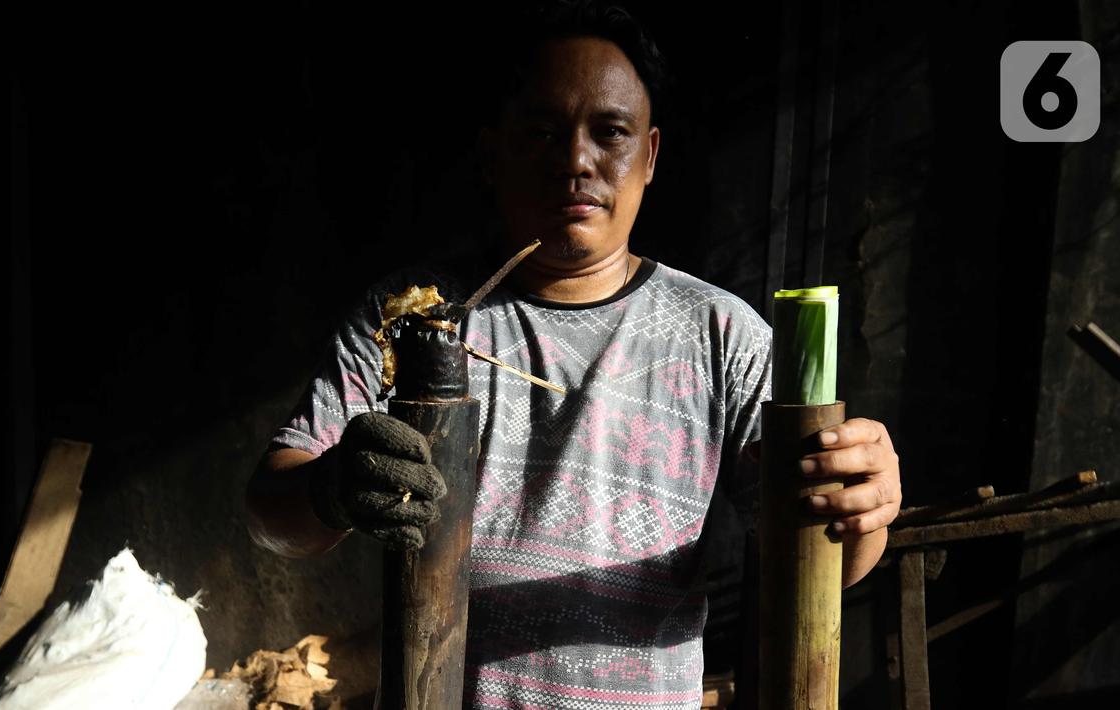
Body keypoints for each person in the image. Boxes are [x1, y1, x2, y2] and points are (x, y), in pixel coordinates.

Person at [245, 1, 902, 707]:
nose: (575, 162)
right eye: (542, 133)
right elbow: (272, 517)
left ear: (649, 157)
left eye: (609, 133)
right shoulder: (413, 316)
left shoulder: (721, 334)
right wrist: (332, 488)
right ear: (492, 154)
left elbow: (822, 563)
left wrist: (860, 512)